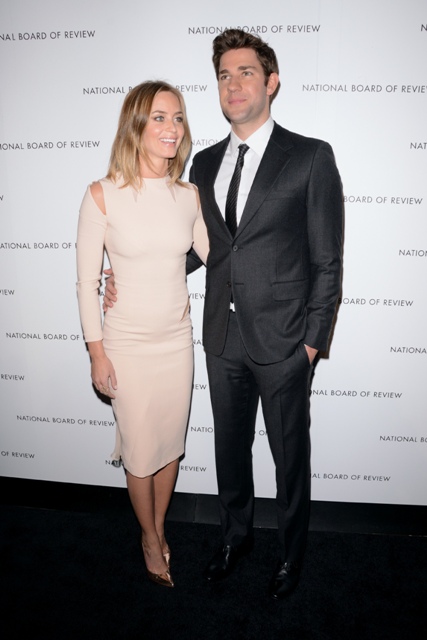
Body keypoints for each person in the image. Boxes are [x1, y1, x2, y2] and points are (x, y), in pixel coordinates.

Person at [105, 29, 343, 599]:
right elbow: (202, 247)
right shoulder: (205, 163)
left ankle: (291, 555)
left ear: (271, 82)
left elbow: (327, 260)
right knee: (229, 454)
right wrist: (131, 272)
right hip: (222, 337)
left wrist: (312, 343)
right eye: (223, 76)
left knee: (289, 460)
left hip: (285, 342)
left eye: (246, 73)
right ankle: (235, 539)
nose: (233, 85)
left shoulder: (310, 156)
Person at [76, 81, 209, 589]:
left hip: (176, 342)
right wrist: (96, 353)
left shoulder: (188, 196)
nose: (172, 128)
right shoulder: (102, 195)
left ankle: (158, 527)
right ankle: (150, 539)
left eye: (177, 118)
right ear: (136, 124)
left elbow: (221, 257)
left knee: (169, 447)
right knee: (139, 450)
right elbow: (87, 283)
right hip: (126, 346)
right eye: (159, 117)